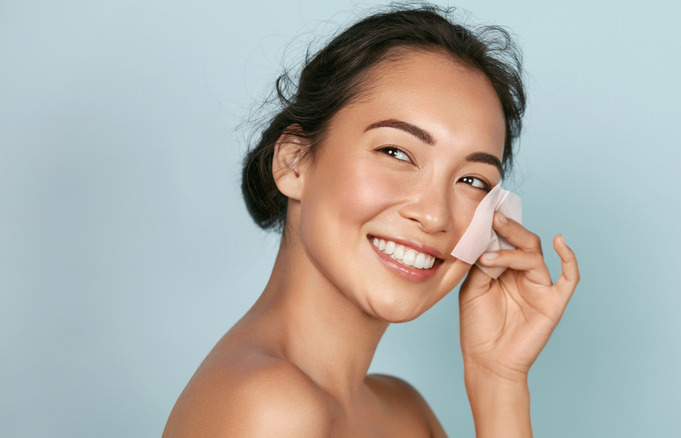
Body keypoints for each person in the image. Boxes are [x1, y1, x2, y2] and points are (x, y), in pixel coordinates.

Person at [163, 4, 579, 437]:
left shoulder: (403, 412)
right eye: (396, 153)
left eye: (472, 180)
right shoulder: (267, 406)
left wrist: (498, 379)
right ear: (294, 162)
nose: (435, 215)